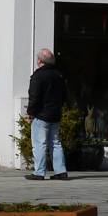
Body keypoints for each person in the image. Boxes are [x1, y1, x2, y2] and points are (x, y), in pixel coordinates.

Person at [25, 47, 69, 182]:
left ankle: (39, 172)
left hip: (41, 115)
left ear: (39, 61)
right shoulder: (59, 75)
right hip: (55, 114)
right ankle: (61, 171)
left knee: (39, 143)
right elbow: (64, 95)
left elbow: (34, 96)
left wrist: (30, 113)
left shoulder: (38, 76)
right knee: (55, 142)